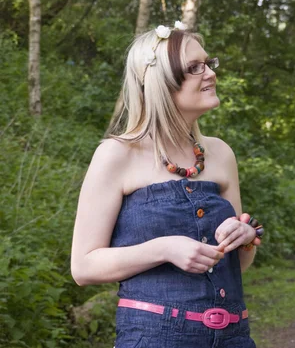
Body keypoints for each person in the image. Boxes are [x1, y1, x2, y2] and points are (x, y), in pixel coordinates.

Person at [70, 21, 261, 348]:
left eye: (209, 63)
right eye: (194, 67)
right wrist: (164, 248)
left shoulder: (220, 153)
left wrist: (243, 238)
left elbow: (238, 264)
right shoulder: (117, 155)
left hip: (234, 338)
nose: (211, 73)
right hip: (154, 337)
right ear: (158, 81)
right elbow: (83, 266)